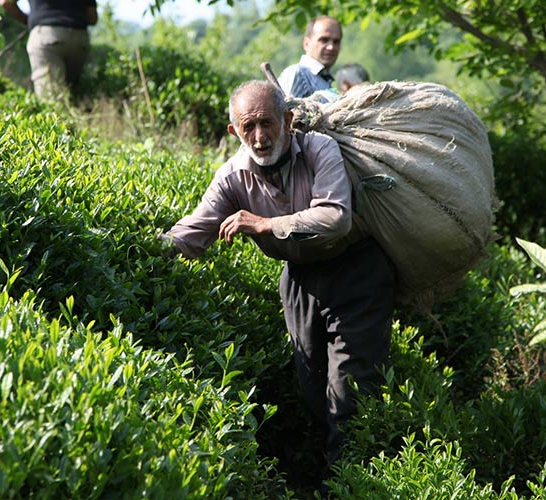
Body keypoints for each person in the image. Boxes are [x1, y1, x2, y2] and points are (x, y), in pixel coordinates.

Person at [160, 80, 395, 478]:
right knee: (312, 387)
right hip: (300, 281)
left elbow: (336, 218)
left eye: (267, 123)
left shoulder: (320, 149)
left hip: (357, 272)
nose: (259, 136)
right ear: (233, 131)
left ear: (287, 121)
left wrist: (265, 224)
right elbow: (193, 232)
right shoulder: (232, 176)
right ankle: (331, 472)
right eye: (247, 127)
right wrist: (139, 248)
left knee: (350, 391)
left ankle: (351, 481)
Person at [0, 0, 98, 101]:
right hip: (79, 38)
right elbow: (92, 18)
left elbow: (6, 2)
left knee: (51, 100)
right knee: (74, 94)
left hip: (47, 36)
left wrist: (28, 20)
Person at [277, 16, 343, 98]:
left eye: (336, 42)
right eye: (324, 40)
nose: (331, 47)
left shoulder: (324, 82)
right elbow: (286, 109)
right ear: (306, 44)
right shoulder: (299, 74)